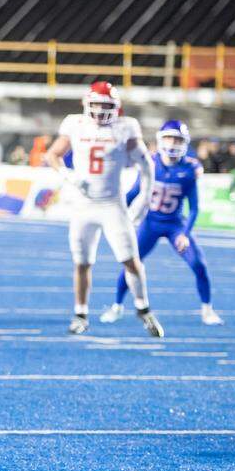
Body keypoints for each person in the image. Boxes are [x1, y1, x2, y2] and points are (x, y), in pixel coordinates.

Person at [44, 81, 162, 336]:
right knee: (82, 262)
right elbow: (51, 155)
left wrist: (144, 198)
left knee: (131, 261)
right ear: (86, 104)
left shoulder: (126, 128)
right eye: (95, 104)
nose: (99, 110)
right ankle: (80, 313)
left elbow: (147, 166)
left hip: (112, 204)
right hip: (83, 205)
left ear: (116, 107)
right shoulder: (74, 124)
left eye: (105, 105)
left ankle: (143, 308)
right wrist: (69, 175)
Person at [100, 121, 222, 326]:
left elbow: (193, 207)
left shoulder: (190, 169)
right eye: (169, 138)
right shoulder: (150, 162)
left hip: (175, 225)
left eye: (177, 139)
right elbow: (133, 193)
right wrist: (120, 215)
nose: (173, 143)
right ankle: (117, 306)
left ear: (185, 142)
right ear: (160, 139)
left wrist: (185, 233)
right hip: (150, 223)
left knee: (199, 264)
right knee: (130, 264)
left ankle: (207, 310)